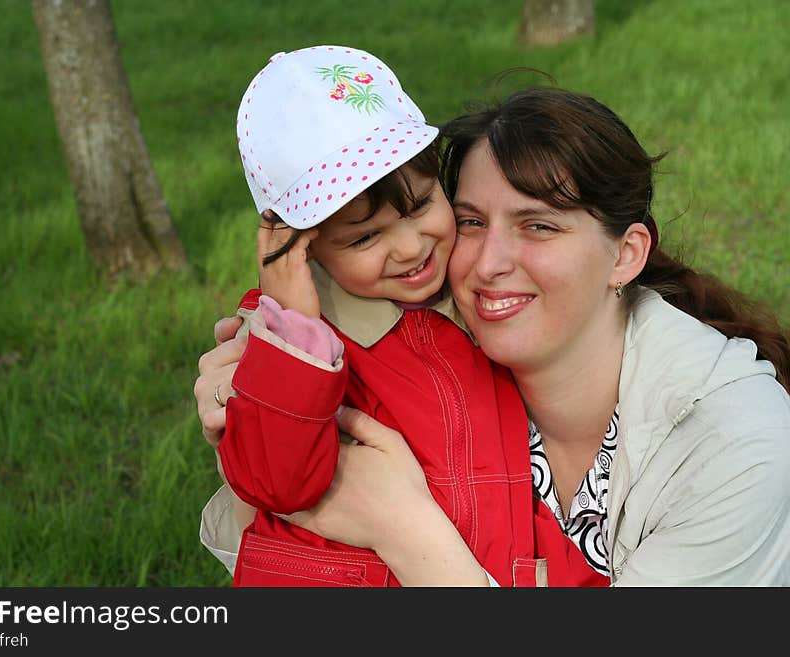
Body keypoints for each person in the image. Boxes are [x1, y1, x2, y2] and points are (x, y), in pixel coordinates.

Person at [197, 80, 790, 585]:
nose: (487, 265)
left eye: (538, 226)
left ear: (625, 255)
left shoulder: (737, 442)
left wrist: (403, 528)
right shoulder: (417, 340)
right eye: (471, 222)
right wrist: (266, 378)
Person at [207, 46, 606, 587]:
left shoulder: (478, 295)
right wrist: (294, 324)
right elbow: (275, 483)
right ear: (304, 247)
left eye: (419, 206)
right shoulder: (292, 339)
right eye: (365, 237)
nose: (410, 247)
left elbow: (513, 485)